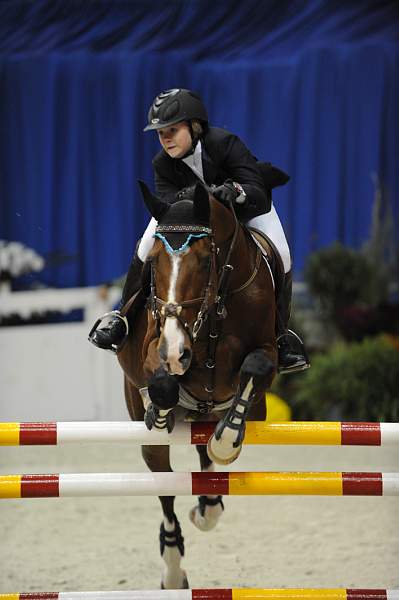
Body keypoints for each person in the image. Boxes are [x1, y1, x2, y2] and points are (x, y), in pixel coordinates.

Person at [89, 88, 309, 374]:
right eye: (160, 132)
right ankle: (122, 318)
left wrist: (234, 190)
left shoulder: (225, 143)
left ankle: (280, 336)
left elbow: (257, 191)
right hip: (191, 217)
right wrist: (204, 196)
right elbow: (171, 204)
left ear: (194, 126)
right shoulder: (162, 164)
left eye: (172, 130)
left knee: (282, 253)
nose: (165, 138)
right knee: (145, 246)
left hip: (247, 209)